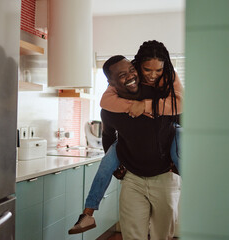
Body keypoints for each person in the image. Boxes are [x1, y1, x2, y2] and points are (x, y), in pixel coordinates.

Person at [69, 41, 182, 236]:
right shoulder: (110, 108)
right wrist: (118, 169)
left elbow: (182, 114)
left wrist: (146, 106)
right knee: (131, 235)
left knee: (162, 235)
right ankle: (88, 213)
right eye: (122, 75)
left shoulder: (162, 94)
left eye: (131, 71)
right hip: (133, 180)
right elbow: (107, 135)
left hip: (164, 178)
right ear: (111, 83)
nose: (131, 76)